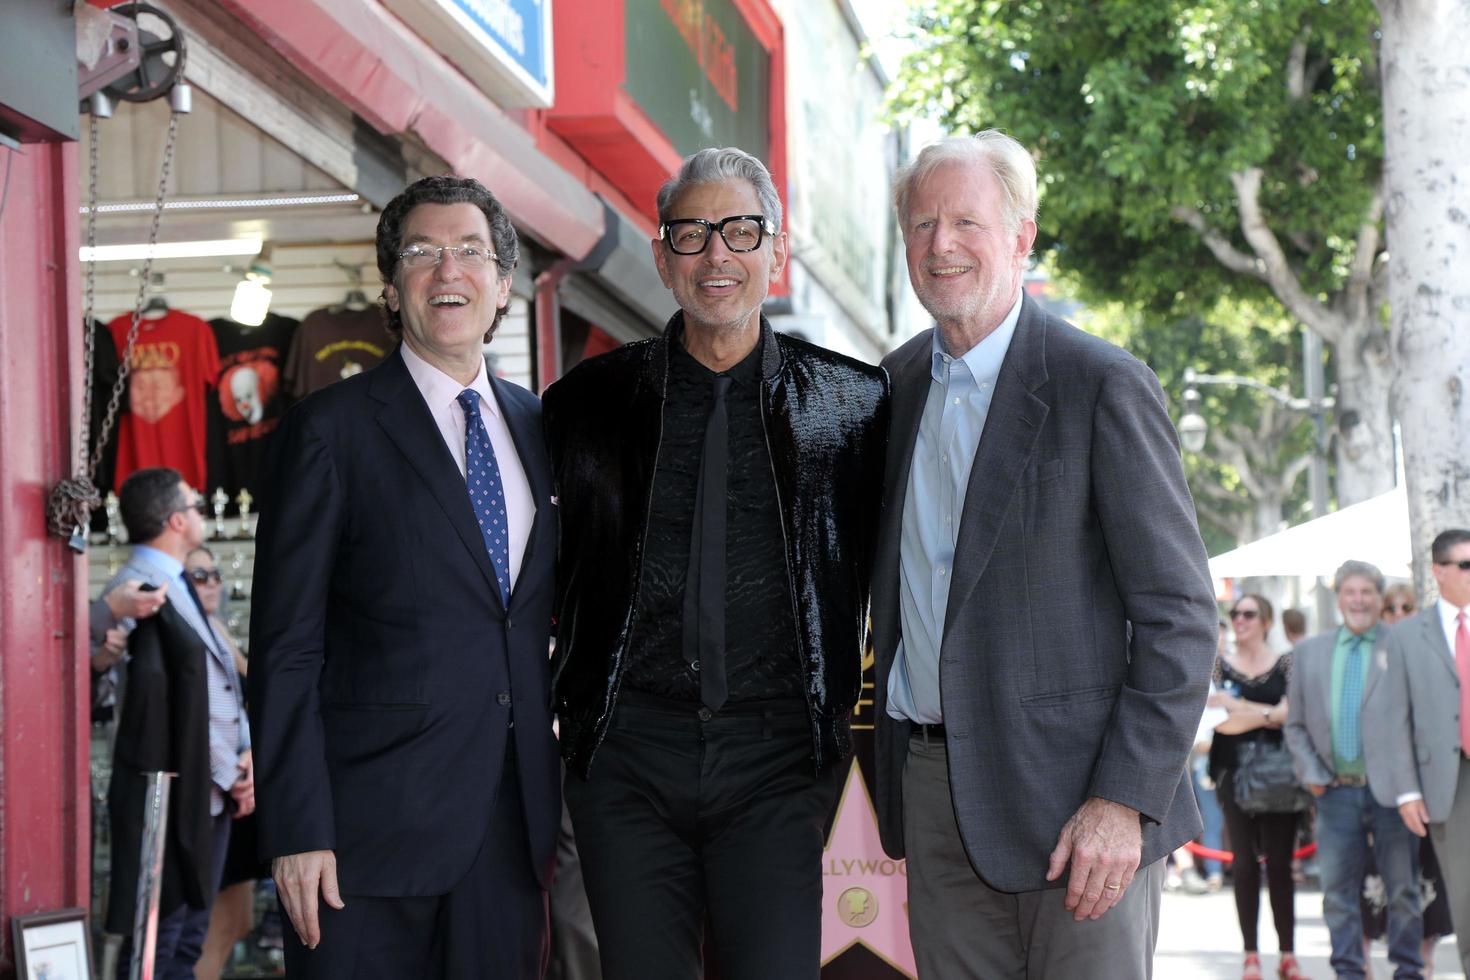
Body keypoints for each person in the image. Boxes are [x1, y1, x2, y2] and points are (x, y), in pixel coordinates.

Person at [869, 131, 1217, 979]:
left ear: (1022, 236)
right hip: (930, 793)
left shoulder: (1102, 384)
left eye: (966, 222)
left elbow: (1179, 615)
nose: (940, 245)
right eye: (920, 226)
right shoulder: (891, 387)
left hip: (1079, 812)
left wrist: (1125, 799)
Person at [543, 146, 888, 980]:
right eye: (692, 234)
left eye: (740, 231)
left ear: (776, 250)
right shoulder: (585, 405)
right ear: (662, 258)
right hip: (627, 758)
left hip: (780, 761)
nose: (717, 256)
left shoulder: (854, 403)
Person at [248, 175, 560, 979]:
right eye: (422, 253)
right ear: (392, 287)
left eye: (469, 252)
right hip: (361, 847)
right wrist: (295, 829)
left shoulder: (541, 427)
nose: (446, 271)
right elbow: (285, 647)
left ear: (502, 283)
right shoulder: (330, 431)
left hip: (511, 832)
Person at [103, 468, 253, 980]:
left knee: (188, 936)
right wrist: (227, 769)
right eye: (194, 505)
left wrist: (245, 754)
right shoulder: (139, 591)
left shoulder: (179, 582)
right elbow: (152, 705)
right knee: (157, 941)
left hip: (207, 789)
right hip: (168, 791)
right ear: (174, 519)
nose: (201, 513)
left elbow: (216, 685)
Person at [1286, 561, 1423, 980]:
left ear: (1379, 598)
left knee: (1403, 890)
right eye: (1351, 592)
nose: (1359, 600)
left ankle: (1408, 970)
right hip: (1333, 792)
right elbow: (1294, 723)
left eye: (1367, 592)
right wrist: (1310, 771)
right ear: (1339, 597)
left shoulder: (1403, 645)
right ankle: (1348, 970)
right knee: (1337, 894)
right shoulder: (1310, 652)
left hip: (1393, 791)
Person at [1369, 528, 1470, 978]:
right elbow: (1394, 720)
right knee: (1466, 899)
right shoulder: (1408, 636)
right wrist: (1407, 790)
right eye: (1466, 565)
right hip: (1451, 783)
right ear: (1439, 571)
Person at [1210, 594, 1304, 980]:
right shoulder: (1217, 666)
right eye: (1234, 614)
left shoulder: (1287, 662)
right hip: (1231, 772)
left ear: (1266, 620)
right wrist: (1268, 713)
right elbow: (1218, 722)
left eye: (1248, 613)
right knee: (1245, 866)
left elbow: (1293, 713)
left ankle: (1288, 954)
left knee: (1281, 865)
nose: (1239, 620)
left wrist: (1240, 709)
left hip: (1281, 774)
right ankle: (1251, 954)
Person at [187, 546, 259, 980]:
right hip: (222, 787)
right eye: (199, 575)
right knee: (212, 927)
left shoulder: (217, 631)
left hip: (244, 782)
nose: (212, 582)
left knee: (239, 920)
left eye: (214, 574)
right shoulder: (188, 632)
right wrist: (238, 770)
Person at [1373, 582, 1451, 978]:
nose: (1400, 612)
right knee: (1394, 881)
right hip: (1384, 790)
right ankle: (1404, 961)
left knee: (1432, 877)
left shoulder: (1435, 655)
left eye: (1408, 606)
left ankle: (1425, 955)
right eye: (1392, 607)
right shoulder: (1370, 657)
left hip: (1436, 786)